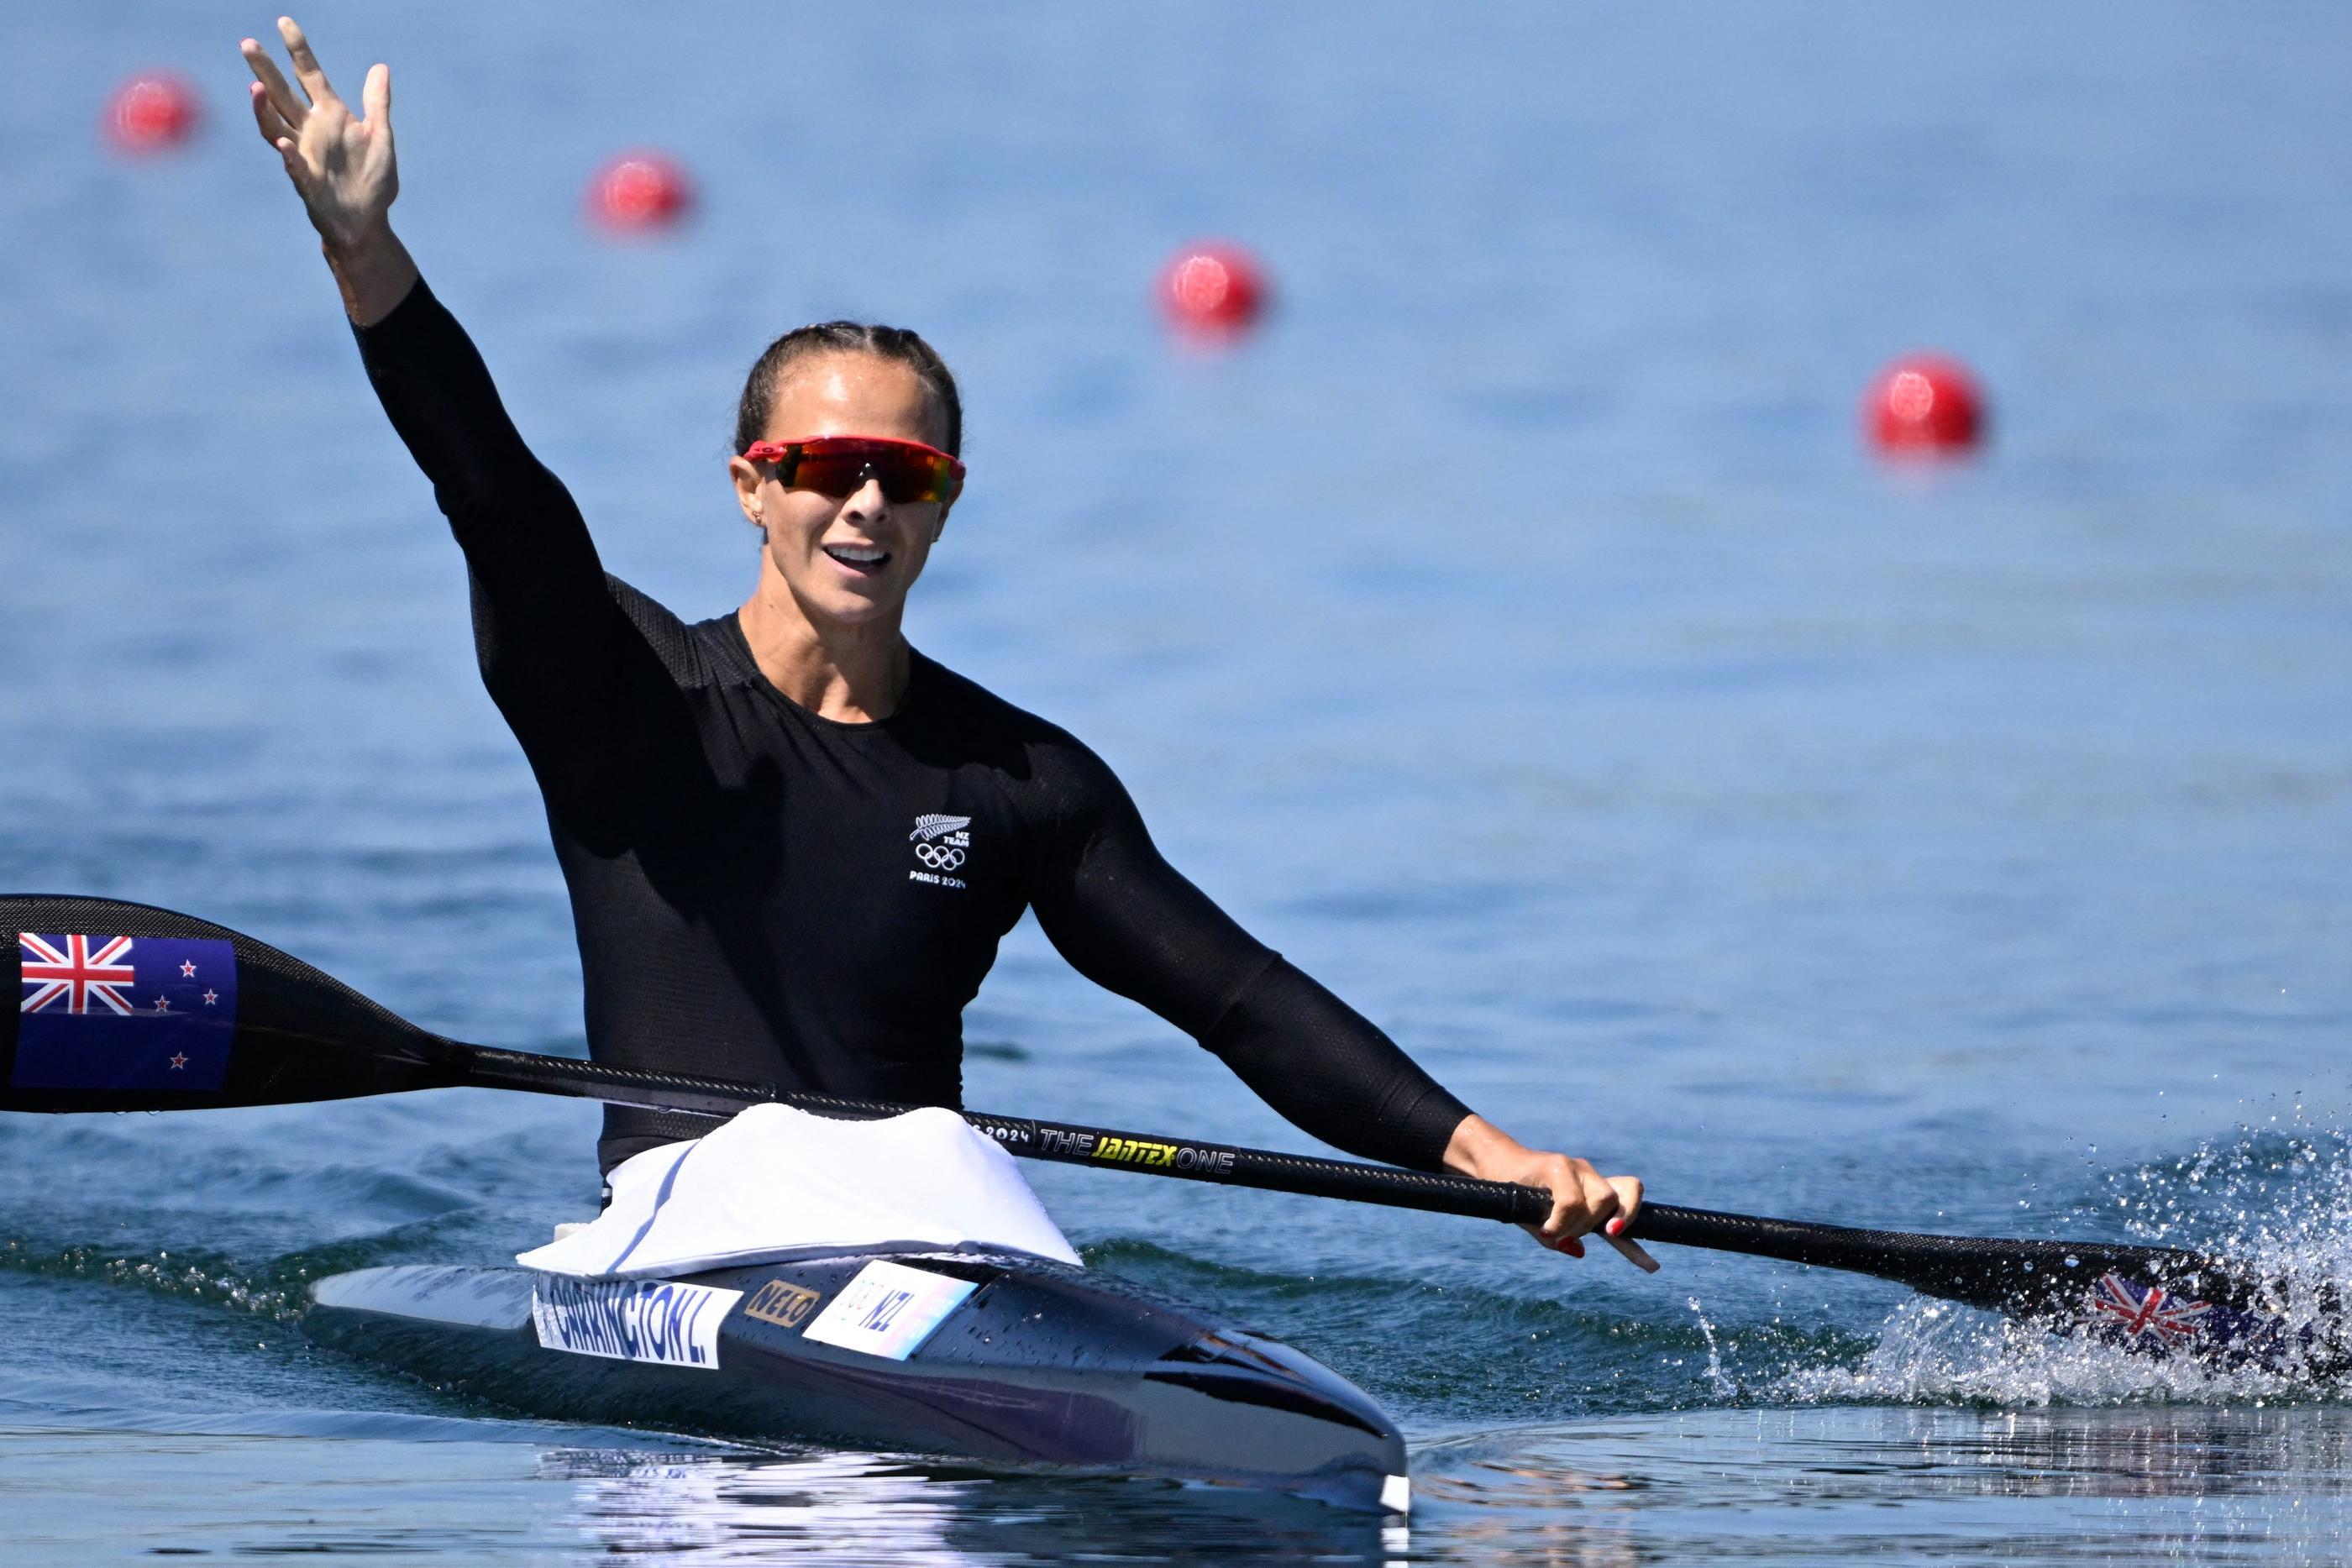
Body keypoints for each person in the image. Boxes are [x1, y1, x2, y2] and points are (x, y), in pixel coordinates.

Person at [239, 17, 1656, 1271]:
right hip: (689, 1222)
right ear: (751, 485)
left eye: (906, 476)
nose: (865, 502)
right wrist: (364, 252)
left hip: (941, 1220)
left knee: (953, 1173)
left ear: (944, 505)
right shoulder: (625, 697)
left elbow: (1237, 998)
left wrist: (1495, 1158)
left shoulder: (1018, 782)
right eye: (827, 465)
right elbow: (496, 494)